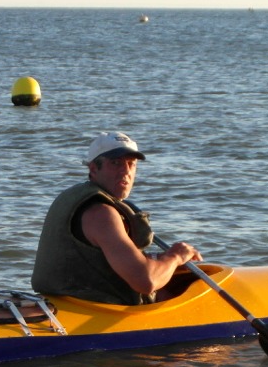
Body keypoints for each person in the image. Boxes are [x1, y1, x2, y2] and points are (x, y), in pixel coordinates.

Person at [32, 131, 202, 305]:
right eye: (115, 163)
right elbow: (145, 281)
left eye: (131, 164)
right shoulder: (101, 213)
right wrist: (176, 256)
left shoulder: (74, 196)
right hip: (92, 311)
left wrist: (160, 259)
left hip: (65, 301)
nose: (125, 171)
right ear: (93, 168)